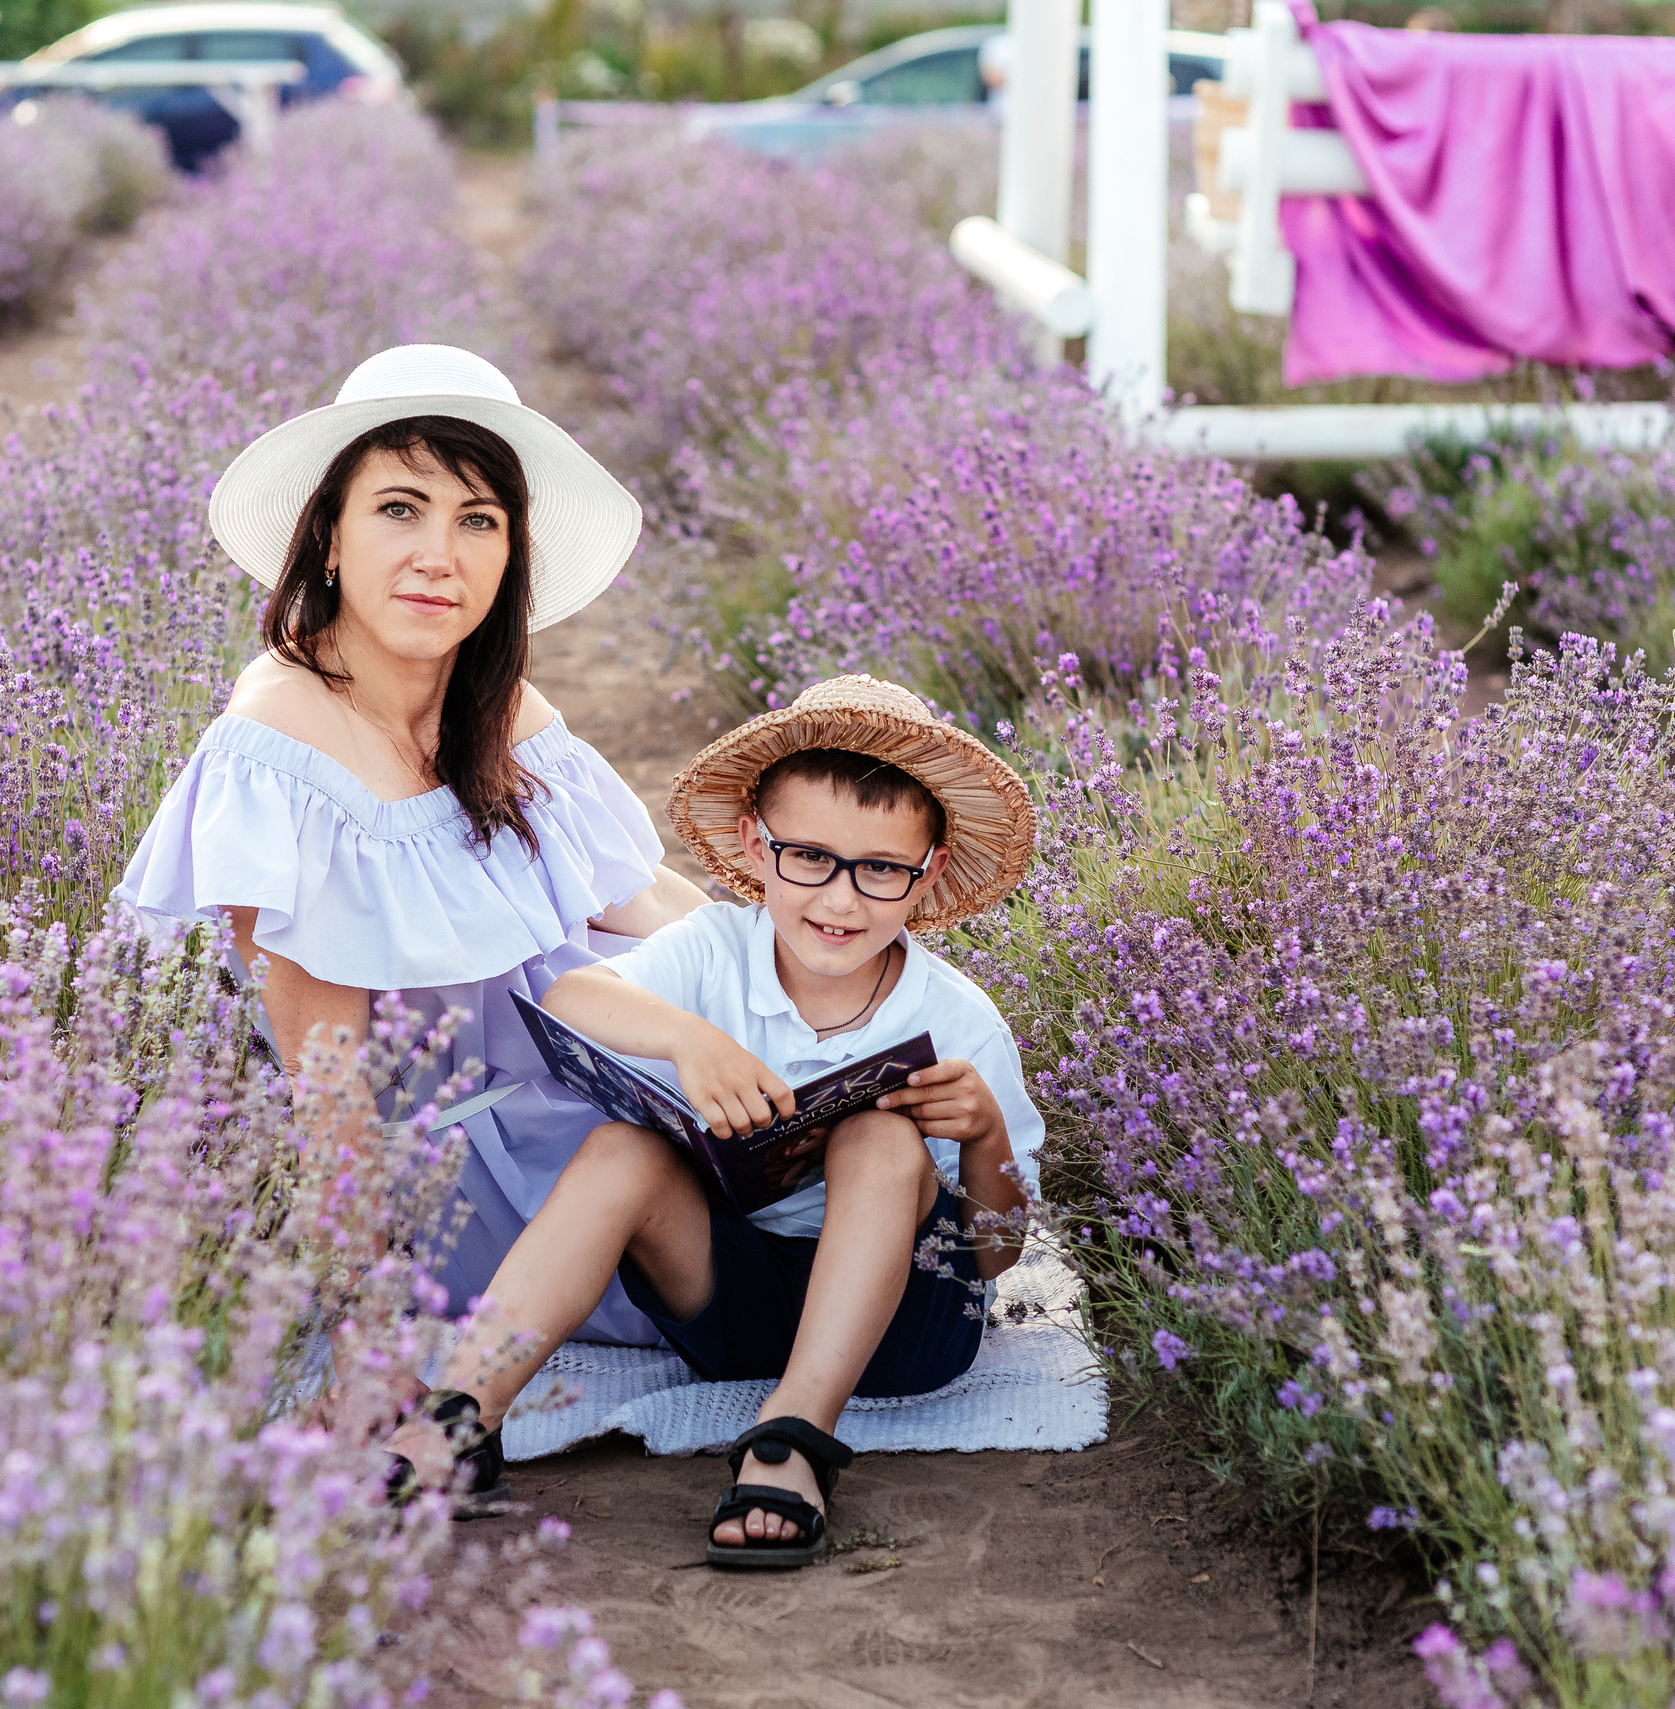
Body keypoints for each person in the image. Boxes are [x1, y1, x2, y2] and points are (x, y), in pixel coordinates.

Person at [114, 343, 711, 1347]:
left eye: (478, 520)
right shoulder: (282, 749)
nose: (440, 555)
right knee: (791, 1258)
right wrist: (367, 1338)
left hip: (580, 1077)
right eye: (400, 508)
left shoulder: (493, 702)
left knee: (861, 1137)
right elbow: (330, 1089)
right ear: (329, 537)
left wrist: (803, 974)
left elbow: (635, 896)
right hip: (466, 1168)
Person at [385, 675, 1046, 1569]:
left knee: (880, 1134)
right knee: (624, 1148)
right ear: (754, 844)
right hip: (733, 1307)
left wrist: (983, 1135)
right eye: (807, 856)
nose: (841, 899)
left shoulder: (960, 1019)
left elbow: (998, 1255)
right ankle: (464, 1414)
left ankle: (794, 1435)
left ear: (925, 874)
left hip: (904, 1330)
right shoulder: (716, 950)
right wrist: (687, 1039)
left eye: (880, 869)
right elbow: (574, 997)